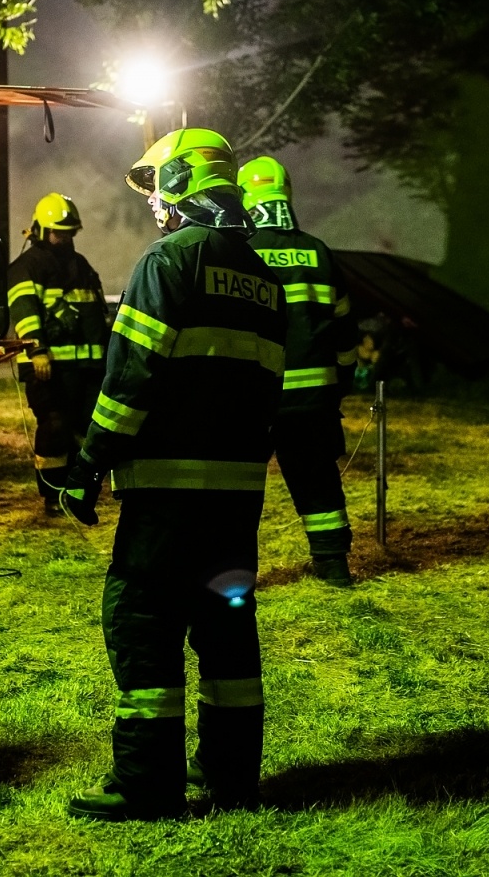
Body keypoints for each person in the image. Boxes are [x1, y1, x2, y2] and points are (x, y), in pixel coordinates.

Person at [59, 128, 286, 821]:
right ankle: (230, 775)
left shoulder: (169, 261)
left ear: (184, 181)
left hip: (166, 490)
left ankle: (145, 783)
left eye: (158, 187)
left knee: (143, 623)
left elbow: (131, 378)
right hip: (237, 494)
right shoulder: (264, 279)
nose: (154, 202)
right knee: (226, 629)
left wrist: (88, 463)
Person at [237, 155, 359, 585]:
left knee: (238, 487)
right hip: (312, 400)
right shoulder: (318, 252)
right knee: (318, 480)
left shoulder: (239, 253)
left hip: (252, 399)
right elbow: (345, 329)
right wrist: (342, 380)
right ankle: (333, 565)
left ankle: (235, 573)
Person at [5, 193, 109, 514]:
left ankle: (76, 490)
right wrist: (36, 350)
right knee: (54, 426)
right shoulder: (26, 267)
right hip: (47, 367)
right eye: (56, 233)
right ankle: (53, 496)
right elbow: (25, 311)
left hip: (87, 367)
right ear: (39, 230)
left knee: (86, 428)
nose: (63, 239)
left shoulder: (81, 265)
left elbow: (96, 314)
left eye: (68, 233)